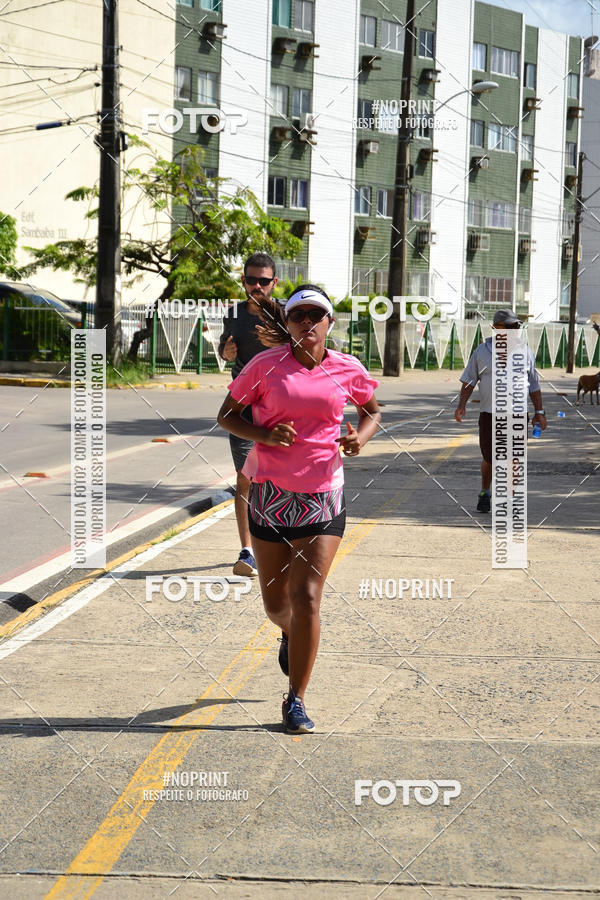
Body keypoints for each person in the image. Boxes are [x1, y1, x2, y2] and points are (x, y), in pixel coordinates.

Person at [217, 285, 381, 733]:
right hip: (270, 497)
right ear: (287, 323)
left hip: (323, 494)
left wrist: (359, 439)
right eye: (298, 316)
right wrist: (265, 436)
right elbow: (226, 416)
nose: (307, 323)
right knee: (276, 603)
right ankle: (287, 632)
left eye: (316, 315)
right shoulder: (264, 366)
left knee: (307, 596)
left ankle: (296, 699)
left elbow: (371, 411)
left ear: (330, 322)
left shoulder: (347, 367)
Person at [218, 252, 279, 576]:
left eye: (263, 281)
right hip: (242, 408)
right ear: (243, 281)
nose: (257, 286)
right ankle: (248, 551)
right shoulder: (234, 314)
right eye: (251, 280)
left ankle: (278, 539)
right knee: (245, 479)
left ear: (274, 283)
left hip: (280, 410)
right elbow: (225, 347)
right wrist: (225, 352)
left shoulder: (284, 315)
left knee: (277, 480)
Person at [454, 308, 547, 512]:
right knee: (490, 458)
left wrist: (539, 412)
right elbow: (469, 381)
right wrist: (462, 405)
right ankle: (485, 492)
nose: (515, 330)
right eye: (511, 327)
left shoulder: (525, 351)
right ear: (496, 328)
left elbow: (533, 385)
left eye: (517, 326)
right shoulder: (482, 352)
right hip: (489, 414)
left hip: (518, 415)